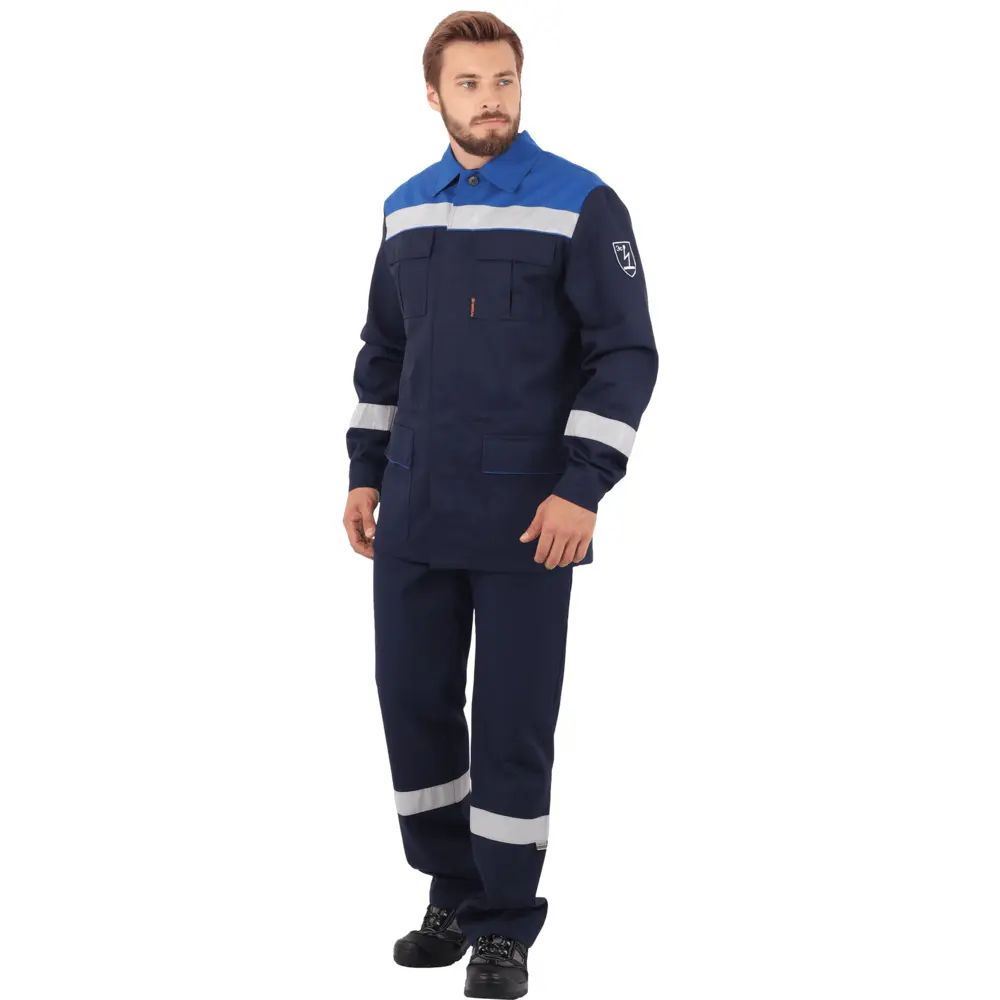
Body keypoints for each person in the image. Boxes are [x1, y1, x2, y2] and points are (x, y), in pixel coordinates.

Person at [342, 11, 658, 998]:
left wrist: (582, 487)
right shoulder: (405, 208)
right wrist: (363, 470)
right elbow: (384, 350)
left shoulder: (580, 202)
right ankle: (452, 890)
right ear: (433, 95)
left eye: (504, 81)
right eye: (470, 84)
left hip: (530, 519)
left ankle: (506, 927)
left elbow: (625, 355)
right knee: (414, 708)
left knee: (513, 725)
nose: (491, 100)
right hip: (413, 510)